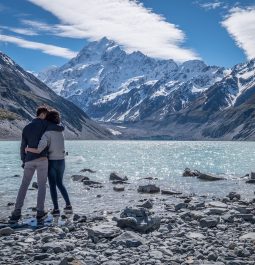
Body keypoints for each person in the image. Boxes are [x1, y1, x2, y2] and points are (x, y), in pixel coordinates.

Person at [10, 106, 63, 222]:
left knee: (24, 185)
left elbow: (23, 146)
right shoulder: (46, 125)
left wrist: (23, 160)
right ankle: (40, 212)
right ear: (43, 114)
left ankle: (16, 212)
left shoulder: (27, 127)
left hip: (29, 159)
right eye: (46, 115)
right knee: (42, 186)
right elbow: (60, 128)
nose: (47, 117)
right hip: (42, 160)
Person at [25, 109, 72, 215]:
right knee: (60, 183)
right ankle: (68, 205)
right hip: (62, 161)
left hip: (52, 162)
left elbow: (39, 150)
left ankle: (56, 209)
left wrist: (28, 149)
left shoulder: (47, 133)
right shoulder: (61, 132)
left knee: (52, 185)